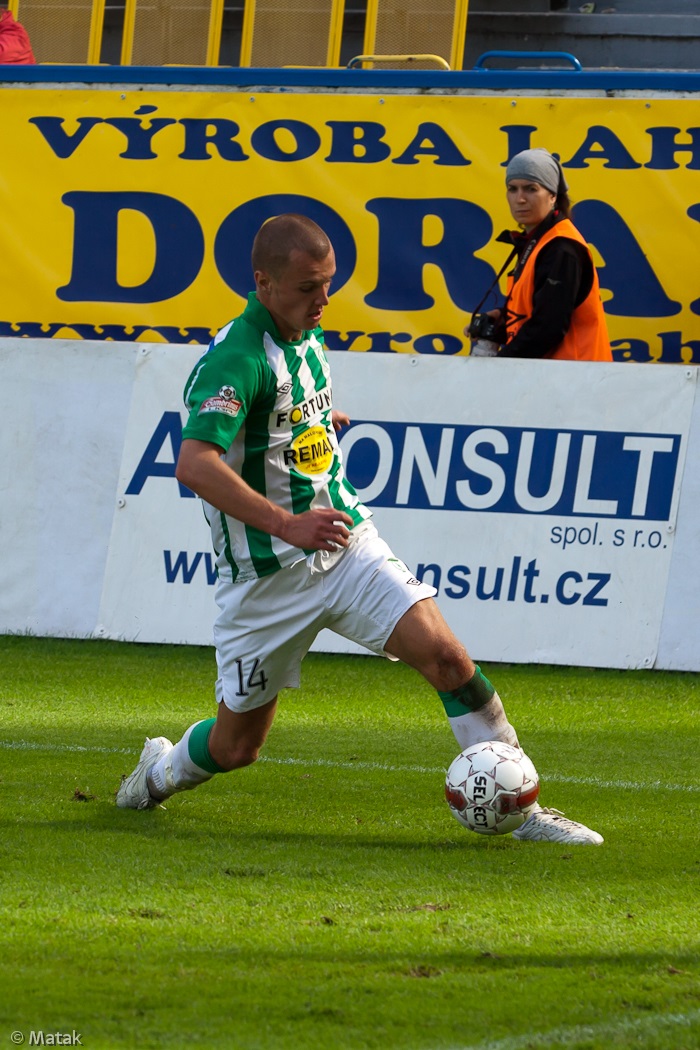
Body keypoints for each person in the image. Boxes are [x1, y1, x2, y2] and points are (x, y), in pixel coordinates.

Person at [117, 212, 603, 845]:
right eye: (306, 288)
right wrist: (285, 523)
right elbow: (195, 464)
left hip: (345, 548)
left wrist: (312, 424)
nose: (322, 301)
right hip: (268, 581)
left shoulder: (303, 333)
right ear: (263, 283)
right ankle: (157, 773)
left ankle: (523, 810)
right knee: (237, 747)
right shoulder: (236, 358)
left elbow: (281, 420)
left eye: (328, 285)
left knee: (449, 659)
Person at [467, 147, 612, 361]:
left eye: (531, 189)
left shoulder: (562, 247)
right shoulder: (539, 241)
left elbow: (547, 327)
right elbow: (540, 311)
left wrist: (500, 364)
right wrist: (502, 320)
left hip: (576, 380)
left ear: (553, 195)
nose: (520, 198)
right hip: (553, 377)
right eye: (512, 189)